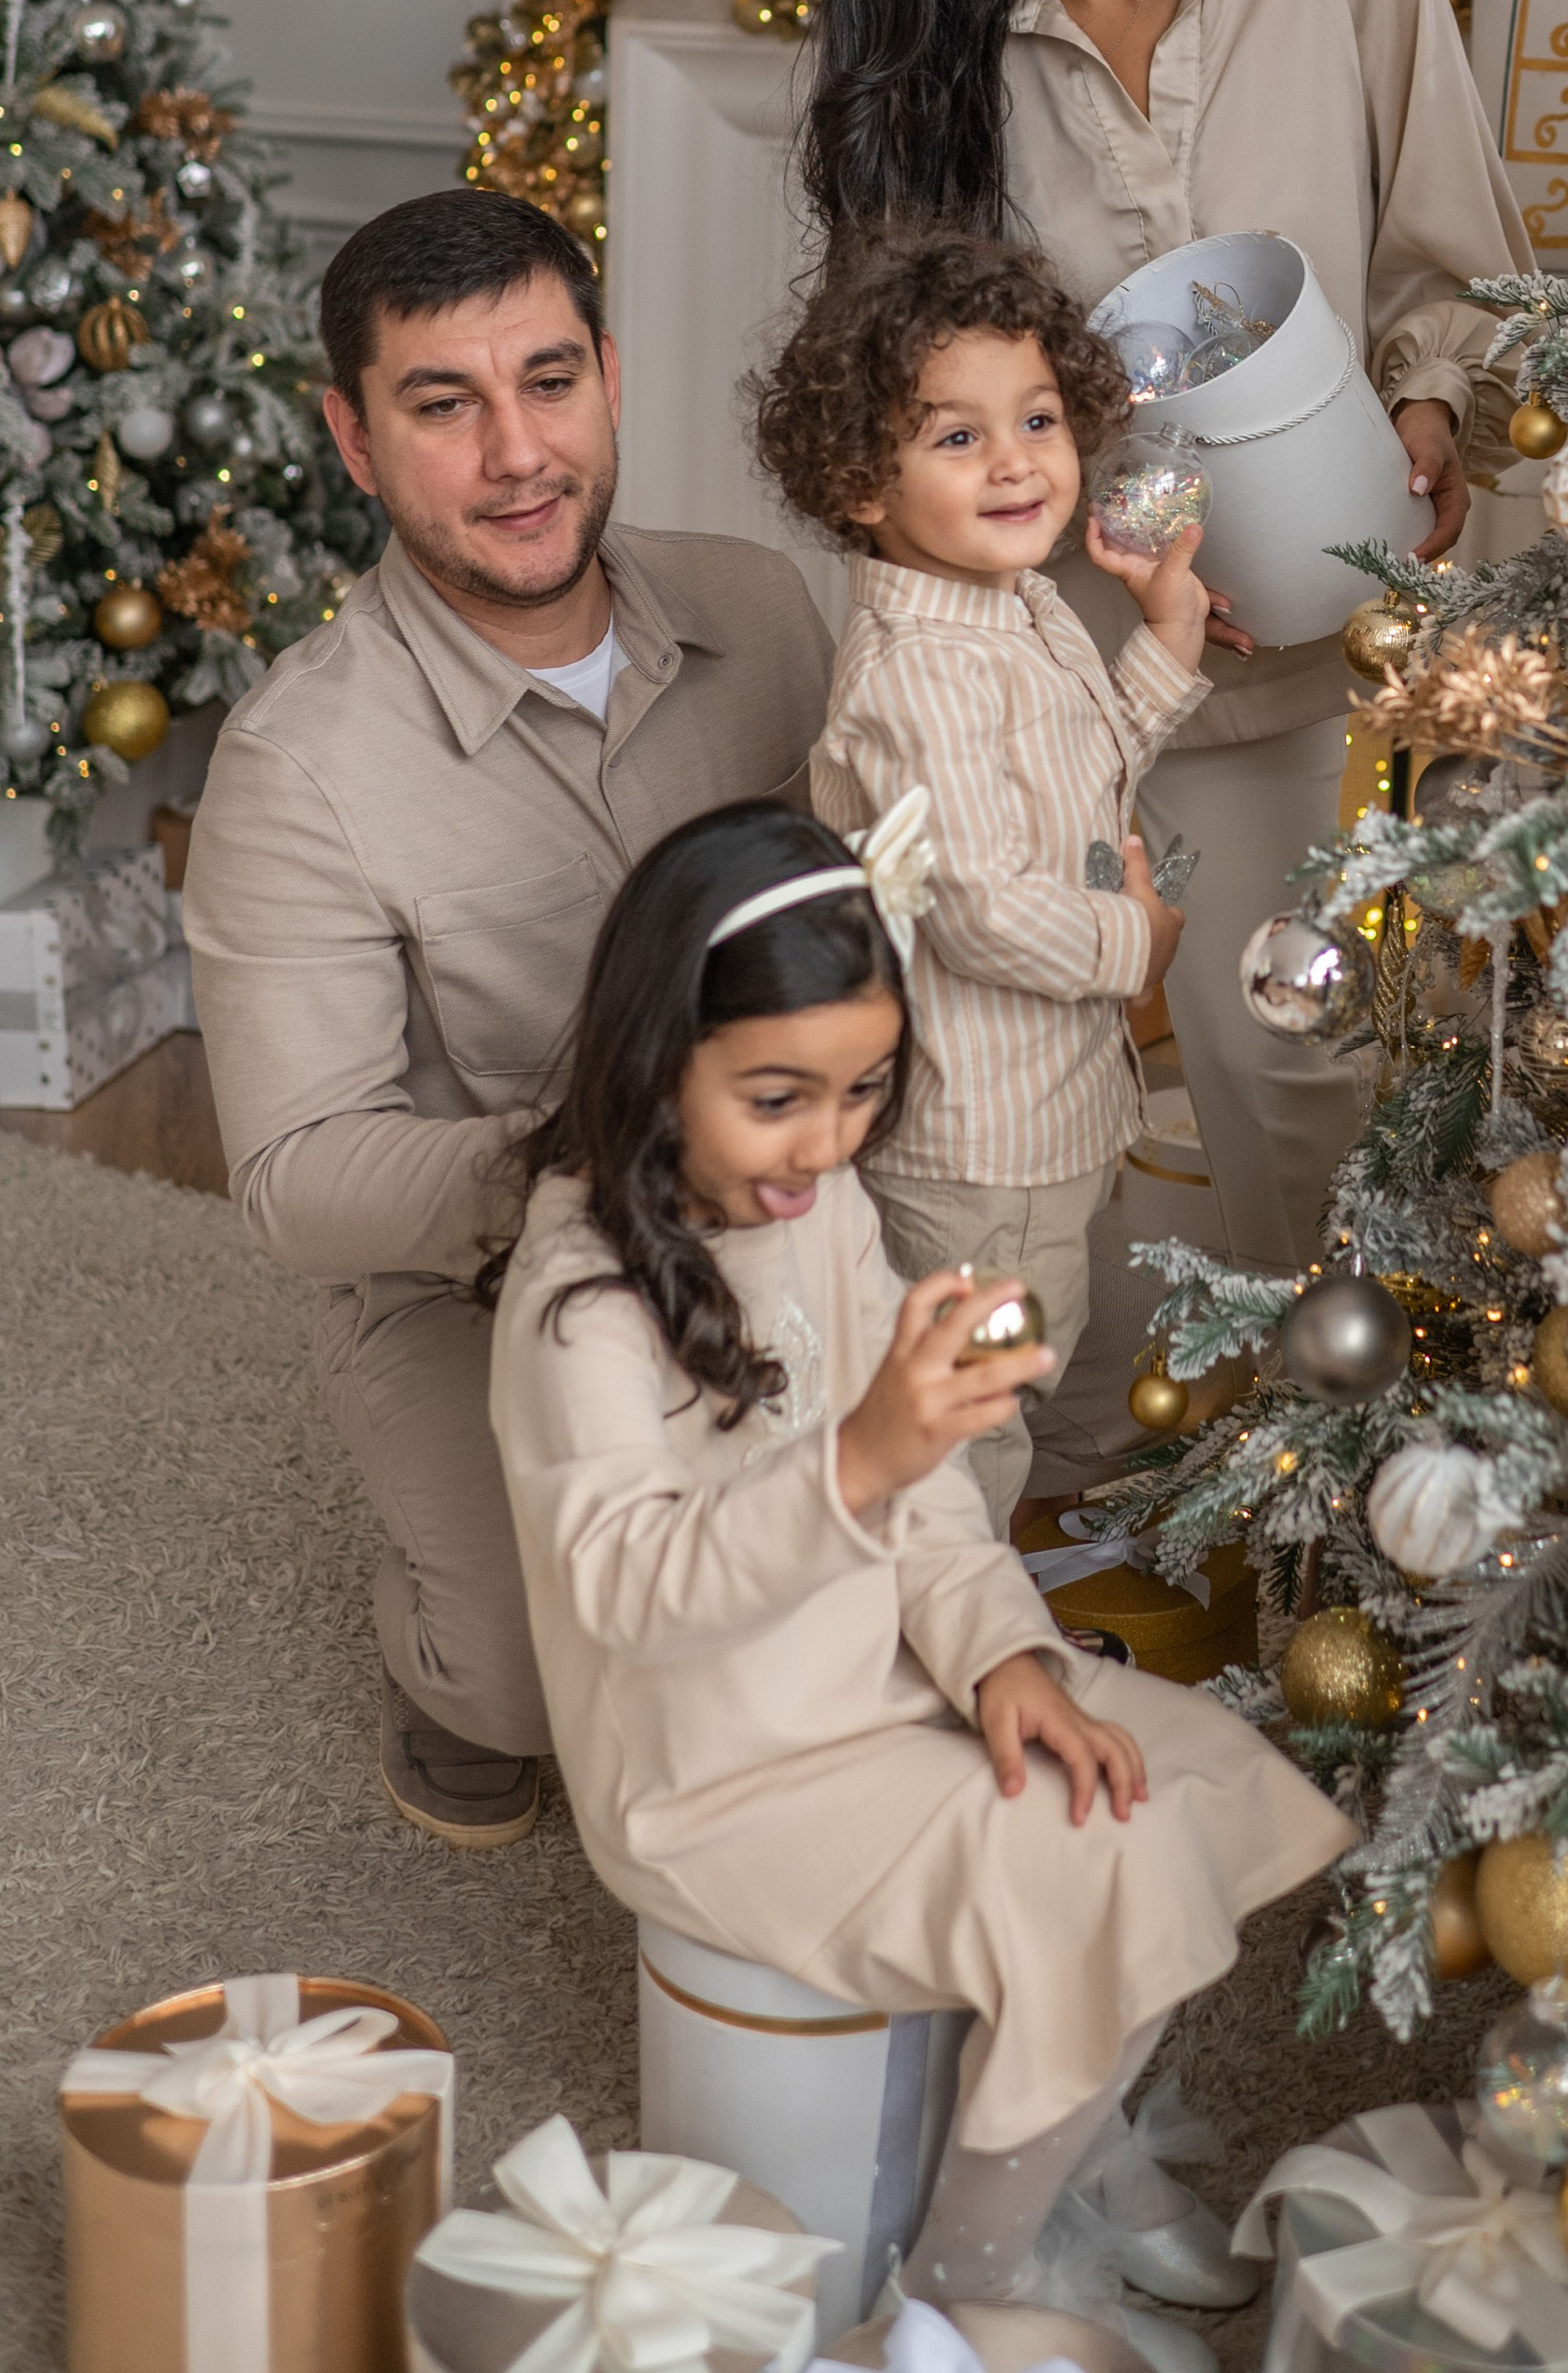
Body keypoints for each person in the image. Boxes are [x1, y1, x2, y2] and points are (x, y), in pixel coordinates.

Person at [483, 798, 1352, 2348]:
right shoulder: (579, 1304)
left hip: (875, 1670)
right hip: (719, 1766)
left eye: (864, 1091)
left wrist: (1004, 1657)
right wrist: (857, 1463)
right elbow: (633, 1593)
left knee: (1177, 1775)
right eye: (775, 1098)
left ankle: (1073, 2138)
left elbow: (936, 1492)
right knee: (1108, 1871)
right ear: (651, 1062)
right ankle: (961, 2282)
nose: (824, 1146)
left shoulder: (814, 1211)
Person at [803, 0, 1534, 1278]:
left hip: (1356, 632)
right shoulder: (935, 59)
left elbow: (1451, 263)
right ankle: (1233, 1447)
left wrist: (1425, 407)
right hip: (1079, 654)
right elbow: (906, 398)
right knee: (1072, 1083)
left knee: (1337, 1065)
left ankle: (1358, 1454)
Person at [183, 187, 832, 1851]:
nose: (516, 453)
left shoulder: (765, 613)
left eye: (548, 381)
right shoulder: (296, 767)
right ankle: (449, 1659)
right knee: (537, 1688)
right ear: (352, 437)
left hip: (796, 1187)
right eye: (443, 405)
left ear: (612, 375)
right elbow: (298, 1174)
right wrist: (595, 1168)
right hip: (471, 1270)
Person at [757, 224, 1210, 1529]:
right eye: (957, 438)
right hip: (978, 1142)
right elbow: (984, 908)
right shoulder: (921, 677)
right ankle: (956, 1641)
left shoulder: (1014, 605)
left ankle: (959, 1617)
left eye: (1040, 420)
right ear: (861, 478)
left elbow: (1076, 774)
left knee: (1011, 1369)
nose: (1017, 462)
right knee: (974, 1417)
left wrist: (1168, 635)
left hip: (1042, 1111)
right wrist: (1138, 948)